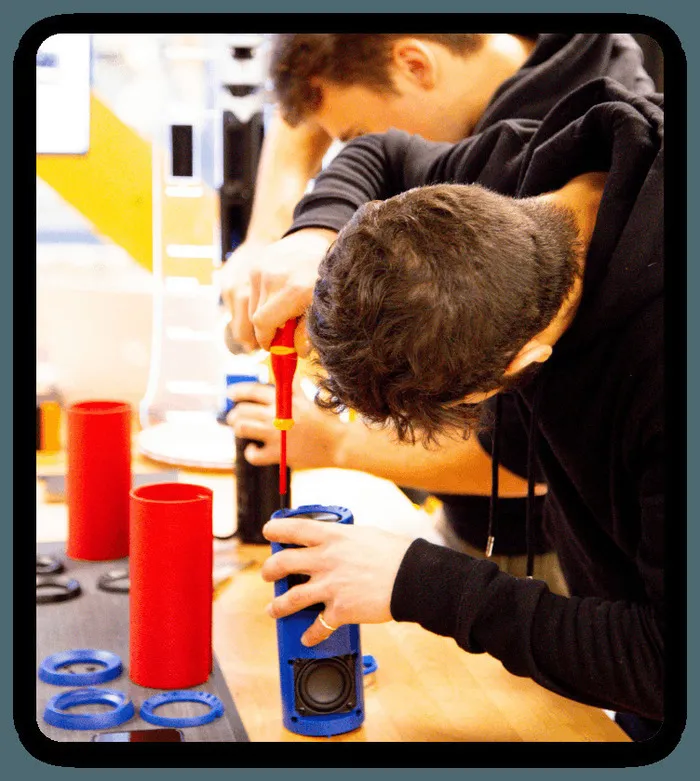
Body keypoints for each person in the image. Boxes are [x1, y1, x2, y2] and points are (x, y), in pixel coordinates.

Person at [252, 77, 665, 740]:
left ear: (521, 365)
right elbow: (380, 154)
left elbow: (664, 659)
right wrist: (313, 232)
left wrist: (417, 581)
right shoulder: (509, 182)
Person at [223, 32, 655, 591]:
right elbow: (379, 152)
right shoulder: (524, 160)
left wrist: (341, 444)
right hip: (491, 544)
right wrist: (309, 234)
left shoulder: (640, 349)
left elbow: (522, 460)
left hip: (554, 575)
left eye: (352, 129)